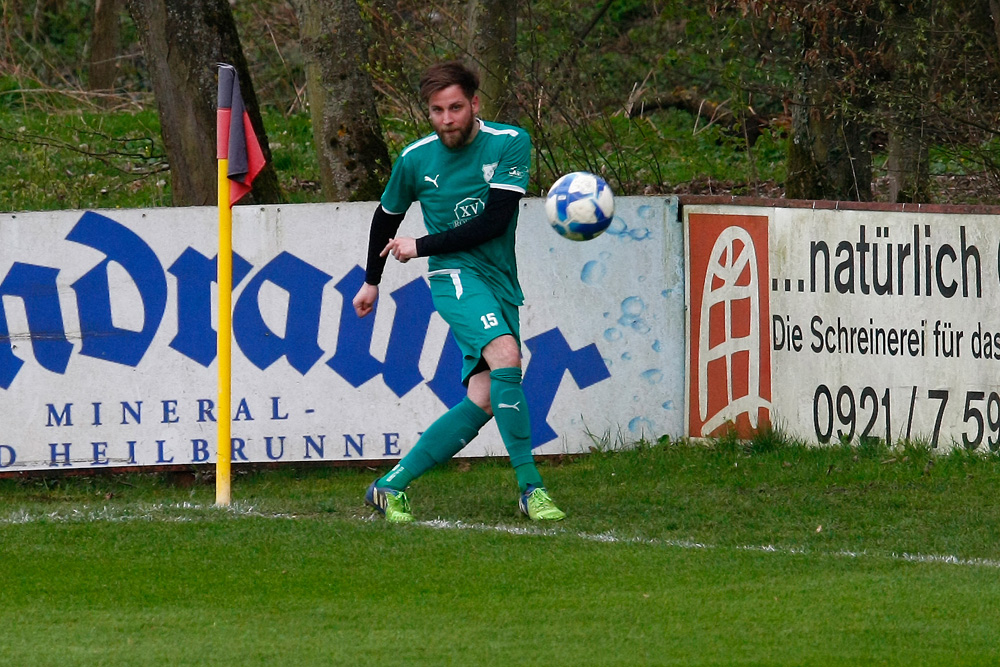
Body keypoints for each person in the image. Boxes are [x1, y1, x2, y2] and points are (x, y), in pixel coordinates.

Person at [352, 61, 565, 524]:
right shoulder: (415, 159)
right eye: (436, 110)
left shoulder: (510, 143)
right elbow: (385, 219)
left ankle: (389, 487)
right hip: (453, 277)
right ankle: (532, 489)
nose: (446, 119)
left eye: (455, 108)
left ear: (475, 104)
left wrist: (420, 245)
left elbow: (492, 221)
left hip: (499, 279)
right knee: (506, 355)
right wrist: (373, 279)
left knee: (486, 397)